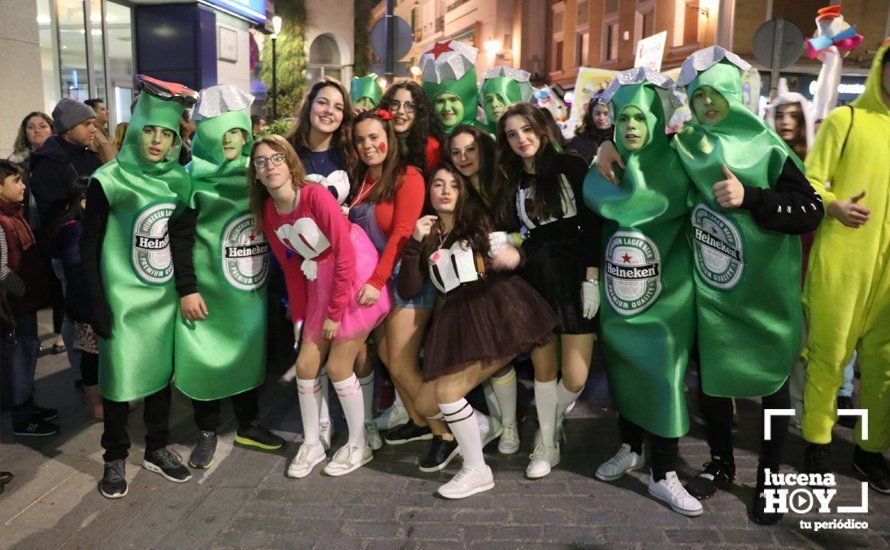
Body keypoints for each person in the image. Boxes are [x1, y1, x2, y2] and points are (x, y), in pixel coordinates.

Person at [666, 46, 823, 524]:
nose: (709, 105)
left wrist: (751, 197)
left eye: (718, 94)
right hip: (714, 296)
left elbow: (809, 209)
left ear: (736, 95)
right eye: (700, 96)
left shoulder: (769, 146)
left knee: (772, 387)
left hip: (763, 299)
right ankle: (721, 464)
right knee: (714, 384)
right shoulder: (688, 145)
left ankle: (772, 477)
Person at [398, 164, 557, 498]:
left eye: (452, 185)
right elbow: (410, 288)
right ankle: (481, 425)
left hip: (494, 311)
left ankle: (476, 469)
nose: (444, 191)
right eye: (437, 184)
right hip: (455, 318)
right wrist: (413, 244)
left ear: (462, 192)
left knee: (448, 393)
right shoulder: (427, 235)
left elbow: (510, 251)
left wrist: (513, 253)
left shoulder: (476, 225)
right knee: (427, 403)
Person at [584, 68, 701, 517]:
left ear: (656, 121)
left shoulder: (680, 162)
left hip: (669, 299)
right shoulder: (606, 170)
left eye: (641, 117)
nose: (631, 126)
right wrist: (591, 281)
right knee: (625, 369)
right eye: (624, 118)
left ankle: (664, 472)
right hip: (619, 294)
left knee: (666, 376)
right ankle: (630, 447)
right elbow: (594, 228)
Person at [81, 75, 199, 499]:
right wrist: (96, 301)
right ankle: (114, 455)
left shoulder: (180, 182)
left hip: (162, 298)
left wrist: (187, 288)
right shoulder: (108, 179)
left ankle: (157, 448)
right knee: (117, 381)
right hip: (120, 300)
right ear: (136, 129)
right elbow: (88, 245)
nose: (157, 141)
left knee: (159, 381)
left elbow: (181, 241)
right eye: (150, 129)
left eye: (167, 134)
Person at [253, 135, 391, 478]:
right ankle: (313, 442)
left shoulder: (314, 196)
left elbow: (344, 254)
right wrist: (301, 317)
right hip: (318, 279)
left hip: (352, 275)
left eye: (276, 158)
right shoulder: (269, 211)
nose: (269, 166)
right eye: (260, 161)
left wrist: (332, 314)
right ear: (254, 173)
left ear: (290, 164)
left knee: (341, 366)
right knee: (305, 365)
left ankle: (359, 444)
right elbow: (289, 266)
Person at [169, 84, 285, 470]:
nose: (234, 142)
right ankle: (207, 429)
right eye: (225, 134)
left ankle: (249, 423)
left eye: (239, 133)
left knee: (249, 355)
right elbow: (180, 238)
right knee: (204, 357)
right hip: (206, 290)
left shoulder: (259, 174)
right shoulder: (189, 177)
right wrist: (187, 288)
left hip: (248, 290)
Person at [492, 102, 602, 480]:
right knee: (543, 371)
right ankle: (547, 442)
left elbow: (592, 224)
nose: (521, 139)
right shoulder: (511, 179)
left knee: (575, 377)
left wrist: (592, 278)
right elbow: (522, 230)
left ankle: (549, 420)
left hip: (573, 276)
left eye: (526, 129)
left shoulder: (571, 165)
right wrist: (511, 246)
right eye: (511, 134)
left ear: (542, 128)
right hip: (534, 279)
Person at [801, 38, 890, 494]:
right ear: (881, 68)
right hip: (844, 261)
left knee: (882, 366)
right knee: (829, 358)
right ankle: (816, 440)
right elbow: (810, 181)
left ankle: (869, 450)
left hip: (889, 278)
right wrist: (834, 207)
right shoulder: (846, 120)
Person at [349, 110, 444, 458]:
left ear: (389, 136)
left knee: (402, 362)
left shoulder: (410, 176)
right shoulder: (360, 181)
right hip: (376, 283)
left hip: (405, 278)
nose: (368, 145)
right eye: (360, 140)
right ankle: (420, 422)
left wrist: (375, 280)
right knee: (389, 357)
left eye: (374, 137)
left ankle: (445, 434)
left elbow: (403, 233)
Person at [287, 78, 362, 450]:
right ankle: (319, 428)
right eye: (322, 102)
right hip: (306, 265)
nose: (329, 111)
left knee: (352, 349)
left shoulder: (350, 154)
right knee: (311, 349)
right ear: (309, 105)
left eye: (337, 105)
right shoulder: (288, 153)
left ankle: (361, 433)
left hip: (348, 262)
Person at [447, 124, 521, 455]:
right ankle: (501, 424)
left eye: (470, 150)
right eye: (456, 152)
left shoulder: (505, 181)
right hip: (475, 283)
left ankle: (511, 427)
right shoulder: (458, 191)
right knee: (489, 355)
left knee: (500, 356)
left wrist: (516, 242)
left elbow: (528, 225)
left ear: (484, 149)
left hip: (514, 281)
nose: (463, 158)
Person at [0, 160, 55, 436]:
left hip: (24, 302)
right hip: (13, 306)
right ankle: (22, 419)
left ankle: (29, 406)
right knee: (18, 359)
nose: (23, 186)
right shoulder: (1, 220)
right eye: (16, 181)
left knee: (27, 355)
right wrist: (23, 291)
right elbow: (1, 270)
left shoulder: (14, 213)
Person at [50, 177, 102, 419]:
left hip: (87, 303)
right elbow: (77, 271)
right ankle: (96, 405)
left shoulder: (78, 225)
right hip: (87, 305)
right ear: (83, 201)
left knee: (95, 355)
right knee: (91, 356)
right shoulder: (73, 229)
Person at [420, 40, 482, 133]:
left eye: (453, 100)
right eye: (440, 101)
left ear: (467, 102)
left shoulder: (486, 141)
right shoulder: (421, 141)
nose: (447, 108)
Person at [480, 66, 534, 134]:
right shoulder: (479, 136)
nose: (494, 105)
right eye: (489, 100)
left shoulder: (532, 133)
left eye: (500, 98)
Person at [567, 93, 614, 165]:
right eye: (597, 114)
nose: (601, 118)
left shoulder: (621, 137)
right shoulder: (579, 141)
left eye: (606, 113)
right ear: (590, 115)